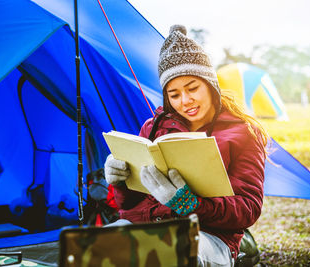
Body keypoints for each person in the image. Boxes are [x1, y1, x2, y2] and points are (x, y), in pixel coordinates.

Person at [104, 25, 268, 267]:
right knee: (91, 247)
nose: (185, 101)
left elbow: (248, 209)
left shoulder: (242, 133)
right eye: (174, 94)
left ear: (210, 85)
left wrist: (190, 204)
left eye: (193, 89)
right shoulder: (153, 128)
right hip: (142, 227)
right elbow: (126, 205)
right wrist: (119, 182)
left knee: (172, 254)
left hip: (208, 237)